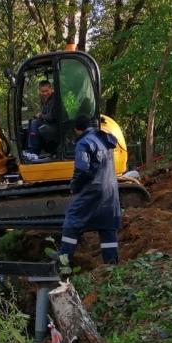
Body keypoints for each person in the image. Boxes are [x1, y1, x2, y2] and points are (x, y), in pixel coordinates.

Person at [54, 113, 121, 265]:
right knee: (107, 226)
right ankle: (111, 266)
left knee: (72, 221)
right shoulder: (103, 139)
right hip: (110, 191)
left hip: (93, 191)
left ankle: (64, 261)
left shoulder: (83, 143)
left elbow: (82, 170)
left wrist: (74, 186)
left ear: (78, 129)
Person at [26, 80, 59, 156]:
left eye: (47, 91)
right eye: (42, 91)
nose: (45, 93)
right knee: (32, 121)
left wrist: (41, 115)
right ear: (39, 91)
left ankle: (34, 151)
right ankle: (29, 148)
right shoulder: (46, 99)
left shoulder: (55, 99)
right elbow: (44, 113)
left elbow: (52, 117)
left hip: (56, 126)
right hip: (50, 124)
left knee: (35, 123)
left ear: (51, 88)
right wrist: (39, 115)